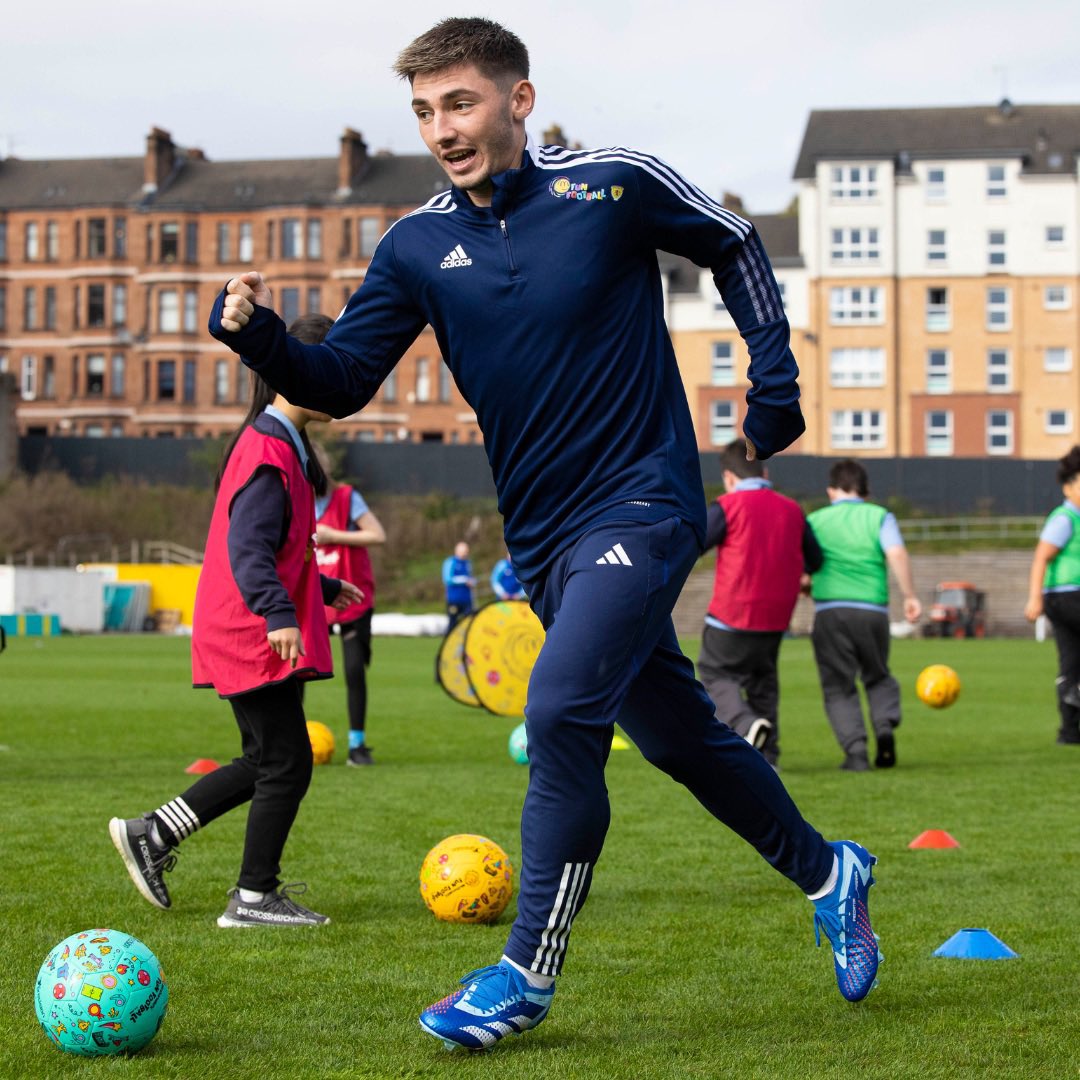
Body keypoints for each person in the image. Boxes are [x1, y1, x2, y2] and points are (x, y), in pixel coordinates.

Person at [208, 16, 882, 1048]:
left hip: (646, 503)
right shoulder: (417, 246)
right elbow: (340, 380)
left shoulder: (610, 186)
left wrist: (774, 379)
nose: (444, 128)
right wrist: (258, 339)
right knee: (679, 738)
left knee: (563, 708)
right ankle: (832, 872)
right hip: (549, 539)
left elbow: (735, 241)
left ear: (518, 100)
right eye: (426, 111)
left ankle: (524, 973)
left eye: (462, 102)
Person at [108, 373, 362, 927]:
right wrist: (277, 612)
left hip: (243, 625)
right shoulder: (270, 449)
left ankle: (153, 833)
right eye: (340, 376)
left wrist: (318, 589)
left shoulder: (277, 445)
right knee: (288, 763)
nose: (349, 391)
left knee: (265, 760)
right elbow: (246, 547)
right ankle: (253, 897)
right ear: (300, 374)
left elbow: (273, 544)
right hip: (250, 631)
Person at [290, 313, 388, 767]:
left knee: (353, 670)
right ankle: (292, 742)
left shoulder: (347, 497)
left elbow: (377, 535)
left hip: (351, 597)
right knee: (300, 671)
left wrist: (335, 536)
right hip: (314, 594)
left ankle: (358, 743)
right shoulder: (297, 492)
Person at [696, 438, 822, 768]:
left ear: (728, 477)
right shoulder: (792, 508)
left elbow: (695, 542)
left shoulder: (727, 506)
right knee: (763, 684)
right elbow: (816, 557)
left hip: (732, 613)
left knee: (711, 674)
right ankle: (769, 756)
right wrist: (804, 575)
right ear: (764, 471)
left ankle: (744, 723)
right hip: (776, 616)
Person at [807, 459, 922, 772]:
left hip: (830, 609)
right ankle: (884, 727)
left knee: (838, 685)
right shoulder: (880, 516)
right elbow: (896, 553)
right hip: (873, 609)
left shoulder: (815, 520)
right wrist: (910, 596)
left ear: (831, 490)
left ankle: (856, 751)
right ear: (865, 490)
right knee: (877, 674)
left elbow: (804, 565)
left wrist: (804, 585)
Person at [1024, 445, 1080, 745]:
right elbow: (1041, 557)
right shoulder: (1065, 519)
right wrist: (1034, 597)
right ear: (1068, 486)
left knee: (1070, 662)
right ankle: (1077, 691)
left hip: (1062, 599)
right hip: (1068, 596)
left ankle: (1070, 731)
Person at [442, 540, 476, 630]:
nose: (466, 554)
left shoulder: (468, 563)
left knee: (469, 623)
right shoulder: (450, 562)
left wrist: (472, 581)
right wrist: (464, 580)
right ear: (457, 551)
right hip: (454, 599)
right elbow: (448, 579)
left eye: (467, 552)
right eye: (464, 551)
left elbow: (471, 577)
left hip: (467, 599)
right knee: (452, 623)